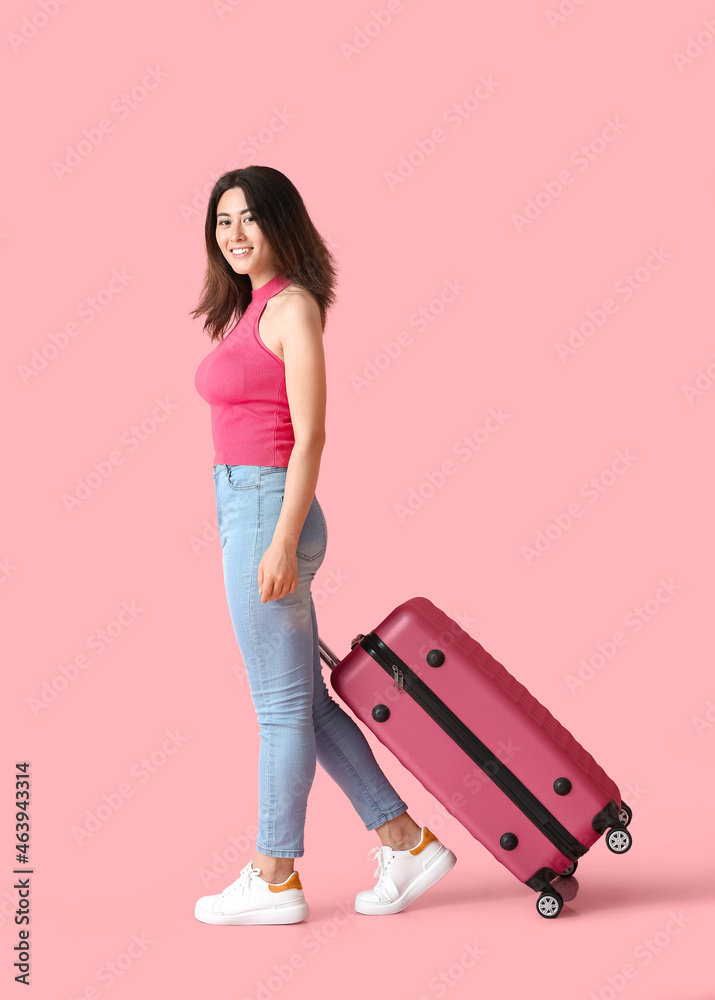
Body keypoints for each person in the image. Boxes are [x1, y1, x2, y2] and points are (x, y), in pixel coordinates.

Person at [191, 166, 456, 925]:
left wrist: (276, 544)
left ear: (282, 223)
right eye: (222, 222)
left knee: (277, 710)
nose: (234, 235)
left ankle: (273, 875)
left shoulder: (292, 308)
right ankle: (403, 842)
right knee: (302, 704)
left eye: (248, 219)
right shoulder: (250, 310)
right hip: (247, 506)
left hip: (270, 507)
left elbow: (310, 437)